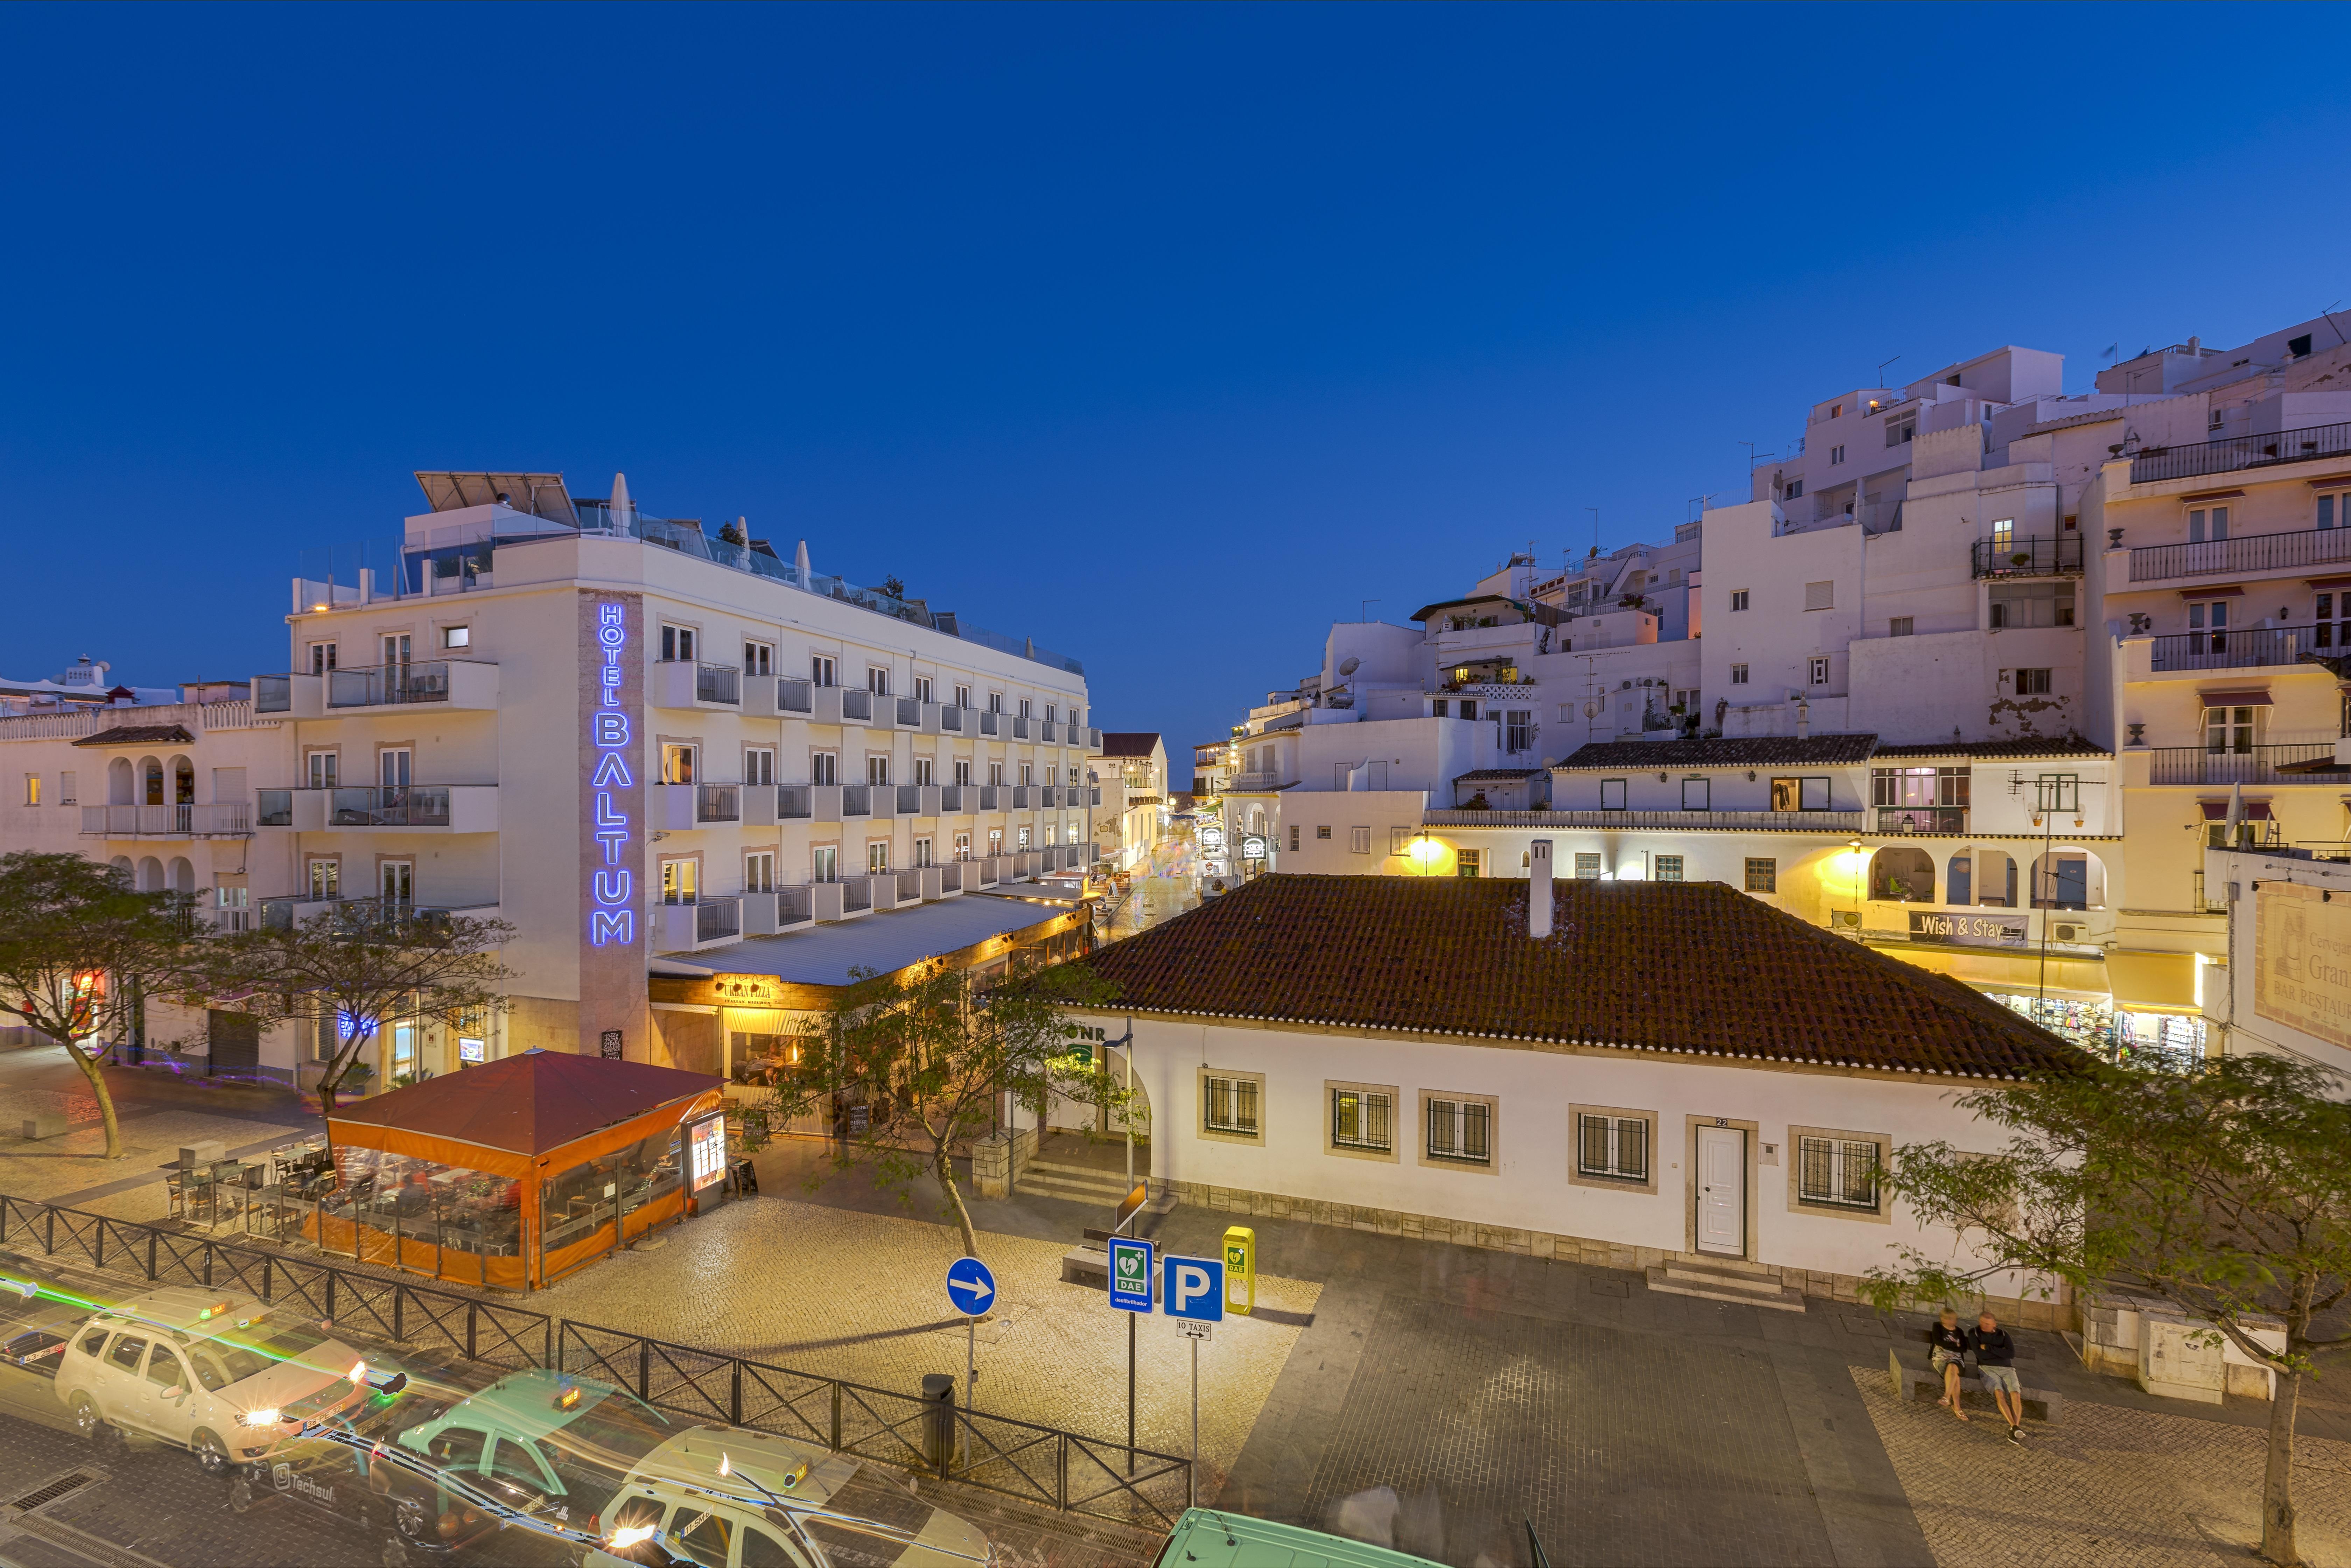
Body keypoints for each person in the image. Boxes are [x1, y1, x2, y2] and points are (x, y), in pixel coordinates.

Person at [1969, 1310, 2027, 1442]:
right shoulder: (1974, 1333)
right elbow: (1980, 1355)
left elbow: (2011, 1354)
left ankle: (2015, 1427)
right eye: (1982, 1323)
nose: (1984, 1326)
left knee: (2016, 1395)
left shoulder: (2003, 1335)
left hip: (2008, 1369)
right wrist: (2001, 1353)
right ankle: (2015, 1428)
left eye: (1988, 1324)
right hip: (1987, 1368)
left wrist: (1988, 1348)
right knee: (1999, 1393)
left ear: (1994, 1324)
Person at [1927, 1308, 1971, 1421]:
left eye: (1954, 1319)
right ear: (1943, 1319)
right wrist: (1954, 1346)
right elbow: (1938, 1341)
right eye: (1950, 1319)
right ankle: (1957, 1407)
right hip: (1940, 1358)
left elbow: (1964, 1348)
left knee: (1953, 1367)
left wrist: (1949, 1346)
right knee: (1955, 1375)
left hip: (1957, 1359)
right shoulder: (1937, 1326)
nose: (1953, 1321)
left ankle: (1947, 1397)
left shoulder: (1959, 1331)